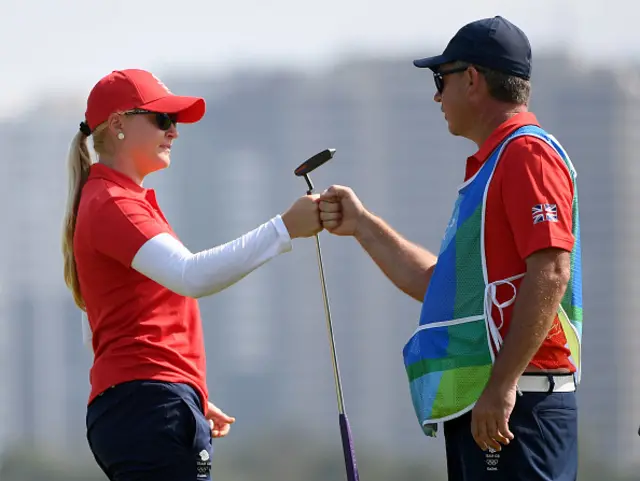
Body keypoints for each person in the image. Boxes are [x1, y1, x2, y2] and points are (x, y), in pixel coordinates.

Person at [318, 16, 583, 481]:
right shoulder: (493, 165)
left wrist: (501, 386)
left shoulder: (526, 153)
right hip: (493, 405)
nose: (437, 95)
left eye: (441, 80)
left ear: (473, 79)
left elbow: (552, 270)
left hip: (517, 404)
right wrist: (362, 225)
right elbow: (436, 285)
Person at [61, 68, 322, 481]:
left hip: (152, 405)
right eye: (163, 120)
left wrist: (183, 393)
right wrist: (284, 228)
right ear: (118, 125)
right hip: (148, 409)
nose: (174, 132)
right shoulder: (113, 203)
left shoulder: (116, 200)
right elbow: (192, 275)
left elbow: (96, 325)